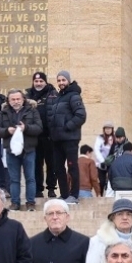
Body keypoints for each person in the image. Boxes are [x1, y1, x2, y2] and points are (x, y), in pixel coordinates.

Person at [0, 88, 43, 211]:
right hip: (11, 150)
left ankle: (30, 203)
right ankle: (15, 203)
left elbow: (39, 128)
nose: (16, 101)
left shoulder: (32, 111)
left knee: (30, 177)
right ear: (8, 101)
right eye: (13, 99)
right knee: (14, 179)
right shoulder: (3, 113)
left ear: (23, 99)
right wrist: (7, 131)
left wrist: (25, 128)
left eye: (18, 99)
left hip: (29, 149)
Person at [44, 72, 86, 204]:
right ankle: (64, 194)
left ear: (68, 80)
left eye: (63, 80)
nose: (61, 82)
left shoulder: (73, 96)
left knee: (72, 167)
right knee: (58, 168)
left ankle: (74, 195)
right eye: (59, 80)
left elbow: (80, 115)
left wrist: (67, 126)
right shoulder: (58, 97)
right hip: (57, 139)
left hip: (70, 139)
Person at [25, 72, 56, 199]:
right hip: (34, 136)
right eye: (36, 81)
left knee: (51, 164)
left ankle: (51, 188)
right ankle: (38, 189)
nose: (38, 84)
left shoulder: (53, 94)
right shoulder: (27, 96)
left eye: (41, 81)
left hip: (49, 135)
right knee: (37, 164)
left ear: (45, 82)